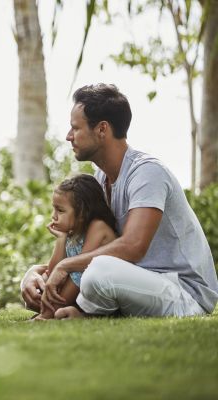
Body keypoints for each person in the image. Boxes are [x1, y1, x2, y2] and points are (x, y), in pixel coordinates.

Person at [21, 83, 218, 318]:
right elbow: (90, 248)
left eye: (76, 128)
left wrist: (65, 266)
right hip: (137, 283)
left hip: (185, 293)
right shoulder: (100, 178)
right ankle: (85, 315)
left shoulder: (147, 173)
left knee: (99, 271)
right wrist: (36, 273)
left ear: (102, 129)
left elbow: (133, 246)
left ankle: (89, 314)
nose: (68, 136)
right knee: (81, 275)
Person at [35, 174, 117, 320]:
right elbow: (54, 271)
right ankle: (52, 312)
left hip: (108, 293)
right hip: (84, 294)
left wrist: (49, 311)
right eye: (54, 209)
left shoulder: (98, 227)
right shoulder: (73, 232)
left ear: (82, 213)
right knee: (47, 277)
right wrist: (61, 239)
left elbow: (81, 270)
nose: (54, 216)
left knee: (78, 273)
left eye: (60, 210)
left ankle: (47, 314)